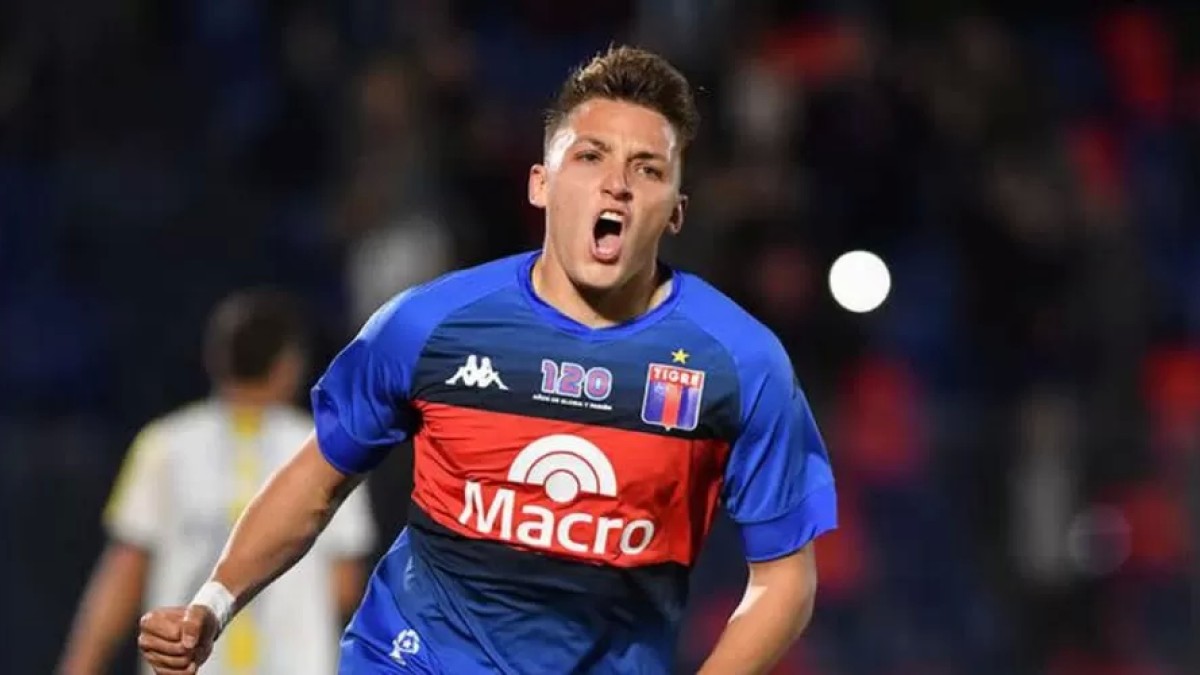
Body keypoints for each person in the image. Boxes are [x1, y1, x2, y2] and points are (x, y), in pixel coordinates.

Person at [136, 45, 837, 675]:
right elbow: (320, 477)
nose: (616, 185)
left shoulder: (739, 364)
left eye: (646, 169)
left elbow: (784, 578)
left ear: (675, 210)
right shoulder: (429, 324)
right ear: (541, 184)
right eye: (590, 157)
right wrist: (213, 603)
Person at [61, 289, 376, 675]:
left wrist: (78, 668)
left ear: (215, 358)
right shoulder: (327, 448)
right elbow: (345, 586)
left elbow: (123, 576)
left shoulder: (164, 444)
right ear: (288, 364)